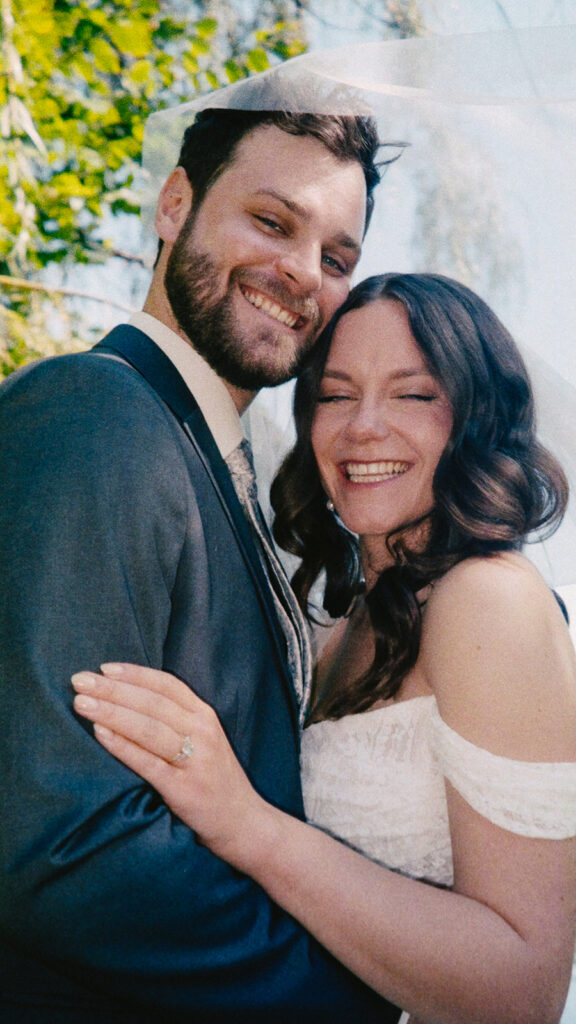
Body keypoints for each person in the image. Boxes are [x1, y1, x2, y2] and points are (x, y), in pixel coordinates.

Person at [72, 274, 576, 1024]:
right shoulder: (339, 618)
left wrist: (244, 823)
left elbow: (522, 992)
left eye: (413, 395)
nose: (362, 427)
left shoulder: (490, 601)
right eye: (335, 393)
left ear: (477, 419)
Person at [0, 108, 401, 1023]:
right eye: (271, 222)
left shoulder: (220, 472)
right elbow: (65, 847)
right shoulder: (90, 413)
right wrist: (363, 1001)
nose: (303, 272)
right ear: (174, 204)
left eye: (337, 259)